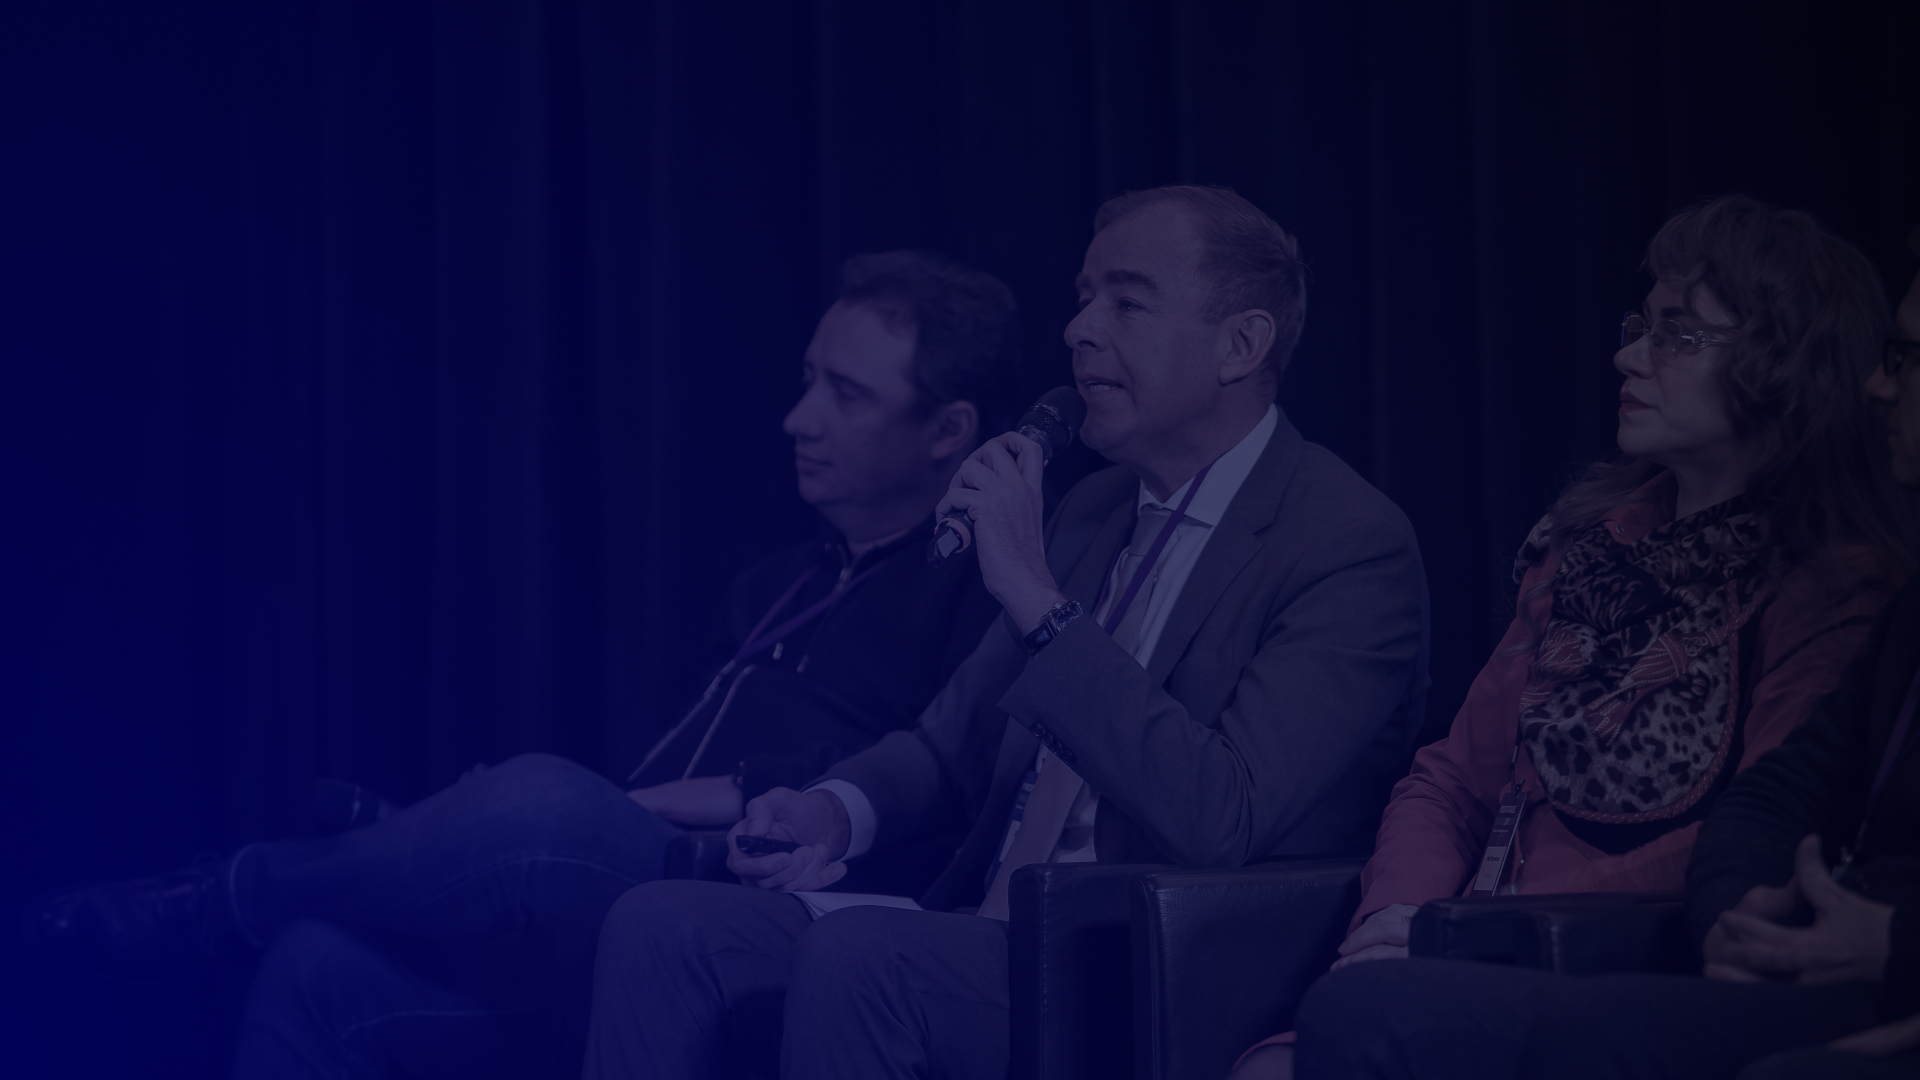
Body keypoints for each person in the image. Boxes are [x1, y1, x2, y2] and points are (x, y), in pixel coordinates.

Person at [26, 250, 1017, 1079]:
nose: (800, 418)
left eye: (846, 394)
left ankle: (227, 898)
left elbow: (941, 782)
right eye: (808, 379)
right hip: (619, 918)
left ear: (949, 432)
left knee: (541, 805)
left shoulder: (979, 581)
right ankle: (420, 845)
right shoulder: (777, 580)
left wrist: (639, 806)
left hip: (771, 905)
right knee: (317, 968)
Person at [578, 184, 1432, 1080]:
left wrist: (1036, 598)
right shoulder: (1096, 507)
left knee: (864, 957)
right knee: (661, 925)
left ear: (1241, 346)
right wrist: (832, 812)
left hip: (1148, 968)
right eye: (1085, 296)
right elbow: (949, 747)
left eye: (1127, 302)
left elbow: (1223, 817)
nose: (1079, 329)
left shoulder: (1344, 543)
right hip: (983, 930)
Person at [1247, 204, 1916, 1080]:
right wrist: (1394, 919)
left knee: (1364, 1028)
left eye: (1679, 336)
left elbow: (1758, 833)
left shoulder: (1832, 580)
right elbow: (1452, 783)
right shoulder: (1588, 544)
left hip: (1621, 963)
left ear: (1784, 369)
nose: (1629, 358)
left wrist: (1480, 933)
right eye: (1642, 327)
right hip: (1464, 939)